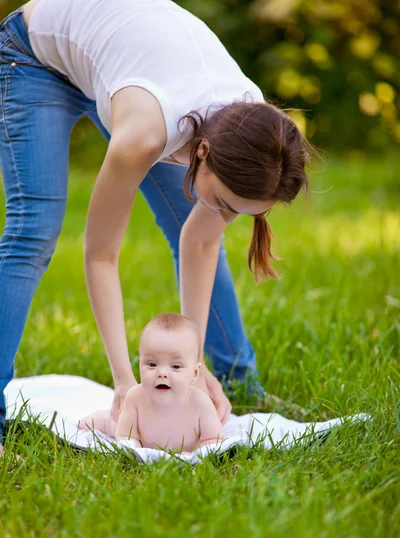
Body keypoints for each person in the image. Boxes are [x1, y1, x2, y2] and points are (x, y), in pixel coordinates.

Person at [0, 0, 311, 453]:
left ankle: (237, 380)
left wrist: (192, 372)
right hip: (36, 55)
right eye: (224, 203)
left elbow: (201, 243)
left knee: (192, 222)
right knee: (33, 231)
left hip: (125, 67)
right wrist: (126, 382)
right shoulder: (146, 132)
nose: (223, 216)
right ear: (201, 151)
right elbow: (101, 254)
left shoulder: (257, 133)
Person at [79, 313, 225, 452]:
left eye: (175, 366)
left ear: (194, 374)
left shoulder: (201, 403)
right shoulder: (135, 397)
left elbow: (213, 439)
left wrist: (197, 455)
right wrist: (136, 451)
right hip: (122, 427)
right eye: (152, 364)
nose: (162, 373)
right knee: (104, 422)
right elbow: (126, 437)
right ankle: (87, 420)